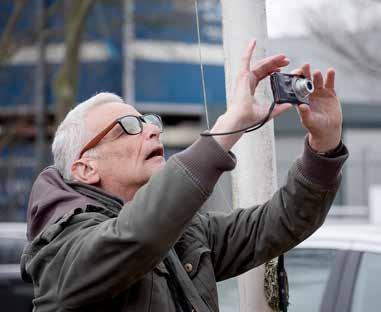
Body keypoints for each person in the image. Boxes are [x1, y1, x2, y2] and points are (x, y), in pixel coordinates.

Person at [21, 40, 348, 311]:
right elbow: (137, 236)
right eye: (128, 127)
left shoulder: (185, 233)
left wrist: (324, 145)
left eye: (149, 120)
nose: (151, 130)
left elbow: (280, 223)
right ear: (85, 168)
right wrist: (227, 128)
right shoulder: (59, 249)